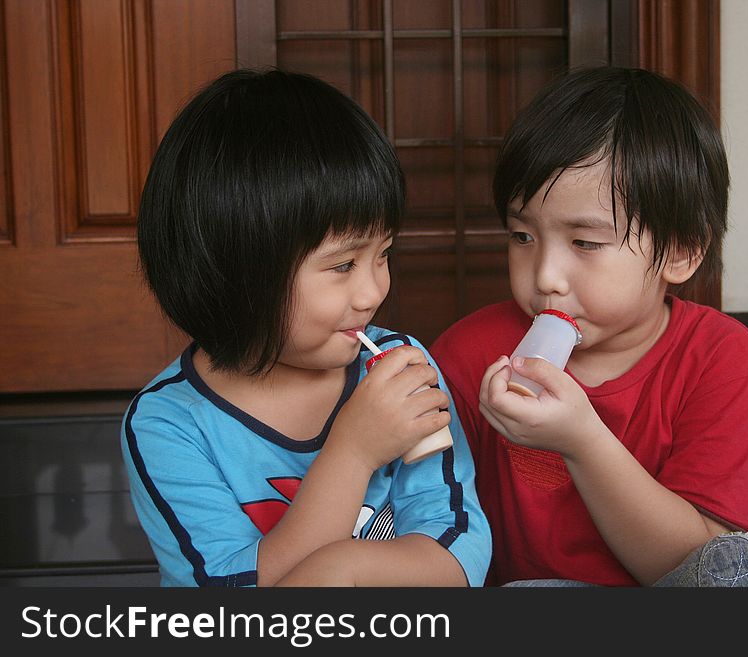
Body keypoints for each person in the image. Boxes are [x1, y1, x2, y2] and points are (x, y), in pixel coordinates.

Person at [430, 66, 748, 587]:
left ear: (680, 252)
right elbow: (434, 525)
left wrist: (583, 441)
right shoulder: (470, 353)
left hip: (682, 596)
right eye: (522, 236)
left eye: (586, 244)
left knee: (739, 572)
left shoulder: (721, 358)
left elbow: (696, 565)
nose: (545, 275)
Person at [122, 68, 490, 587]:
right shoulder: (168, 426)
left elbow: (460, 543)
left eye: (382, 254)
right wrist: (353, 452)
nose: (373, 293)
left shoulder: (400, 369)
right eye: (342, 266)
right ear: (241, 270)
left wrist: (349, 570)